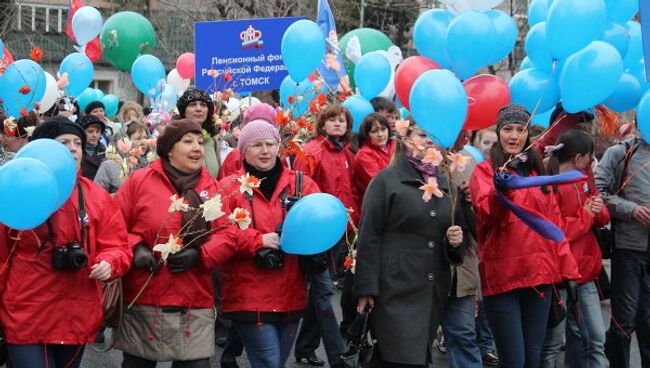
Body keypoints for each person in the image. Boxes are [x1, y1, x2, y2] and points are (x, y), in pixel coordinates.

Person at [114, 119, 272, 368]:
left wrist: (200, 254)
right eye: (188, 141)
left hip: (194, 297)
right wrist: (136, 248)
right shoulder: (139, 181)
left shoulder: (212, 187)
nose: (197, 147)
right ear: (169, 149)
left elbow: (228, 234)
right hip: (146, 294)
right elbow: (114, 225)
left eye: (200, 141)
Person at [0, 116, 132, 368]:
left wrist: (108, 263)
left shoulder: (97, 197)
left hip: (76, 314)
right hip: (25, 312)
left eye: (77, 143)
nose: (72, 148)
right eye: (63, 142)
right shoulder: (16, 188)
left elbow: (118, 247)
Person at [469, 104, 580, 367]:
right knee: (514, 362)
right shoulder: (484, 173)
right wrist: (501, 192)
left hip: (540, 281)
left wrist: (568, 273)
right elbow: (489, 217)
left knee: (533, 360)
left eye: (521, 130)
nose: (514, 136)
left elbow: (553, 227)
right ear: (498, 132)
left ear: (528, 135)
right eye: (508, 129)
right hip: (504, 279)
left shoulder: (537, 174)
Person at [354, 124, 468, 367]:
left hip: (431, 287)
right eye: (423, 135)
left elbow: (455, 240)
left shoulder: (445, 181)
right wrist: (366, 288)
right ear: (405, 139)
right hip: (394, 286)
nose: (429, 142)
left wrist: (454, 243)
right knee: (400, 357)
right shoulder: (386, 180)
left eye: (434, 136)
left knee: (415, 356)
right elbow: (368, 235)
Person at [217, 120, 318, 368]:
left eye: (270, 144)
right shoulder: (229, 188)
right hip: (248, 292)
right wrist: (257, 240)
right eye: (257, 145)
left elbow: (320, 223)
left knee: (276, 363)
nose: (265, 150)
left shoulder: (302, 184)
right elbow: (217, 233)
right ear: (243, 152)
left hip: (290, 291)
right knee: (268, 362)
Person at [293, 104, 357, 365]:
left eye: (342, 120)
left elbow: (351, 190)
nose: (338, 124)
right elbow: (300, 193)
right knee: (323, 291)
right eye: (332, 120)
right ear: (322, 124)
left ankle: (306, 347)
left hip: (341, 230)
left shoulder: (347, 153)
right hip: (318, 231)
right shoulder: (311, 152)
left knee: (320, 291)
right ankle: (336, 355)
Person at [541, 129, 610, 368]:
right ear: (579, 156)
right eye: (589, 156)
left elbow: (602, 218)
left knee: (595, 338)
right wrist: (586, 215)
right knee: (552, 343)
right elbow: (557, 231)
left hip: (587, 273)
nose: (591, 161)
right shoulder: (548, 184)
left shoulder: (583, 180)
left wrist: (597, 208)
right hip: (559, 276)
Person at [595, 125, 650, 368]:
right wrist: (632, 210)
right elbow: (597, 191)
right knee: (624, 320)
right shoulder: (621, 153)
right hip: (629, 248)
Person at [217, 102, 277, 180]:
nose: (261, 129)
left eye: (266, 125)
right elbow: (225, 186)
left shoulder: (278, 154)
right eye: (256, 124)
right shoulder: (235, 156)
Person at [176, 88, 226, 178]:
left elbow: (218, 177)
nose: (199, 109)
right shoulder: (173, 138)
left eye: (203, 105)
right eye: (193, 104)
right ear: (184, 111)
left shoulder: (212, 141)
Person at [94, 122, 153, 194]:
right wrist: (123, 197)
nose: (143, 142)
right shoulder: (109, 166)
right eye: (138, 138)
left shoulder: (152, 165)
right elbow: (97, 197)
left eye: (146, 138)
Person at [352, 113, 396, 205]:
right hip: (377, 205)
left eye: (383, 129)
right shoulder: (364, 155)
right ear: (366, 134)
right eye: (374, 131)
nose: (380, 134)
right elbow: (381, 183)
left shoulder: (395, 146)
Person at [79, 114, 107, 180]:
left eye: (97, 132)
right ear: (82, 132)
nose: (95, 135)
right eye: (90, 131)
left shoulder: (104, 149)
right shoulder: (77, 150)